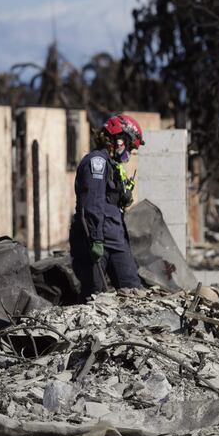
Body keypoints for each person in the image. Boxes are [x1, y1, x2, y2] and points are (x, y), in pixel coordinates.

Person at [69, 114, 144, 301]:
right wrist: (96, 240)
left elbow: (111, 202)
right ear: (118, 140)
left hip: (116, 239)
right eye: (129, 146)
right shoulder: (97, 162)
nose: (129, 152)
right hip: (96, 241)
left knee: (133, 292)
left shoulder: (114, 166)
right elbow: (92, 203)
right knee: (94, 296)